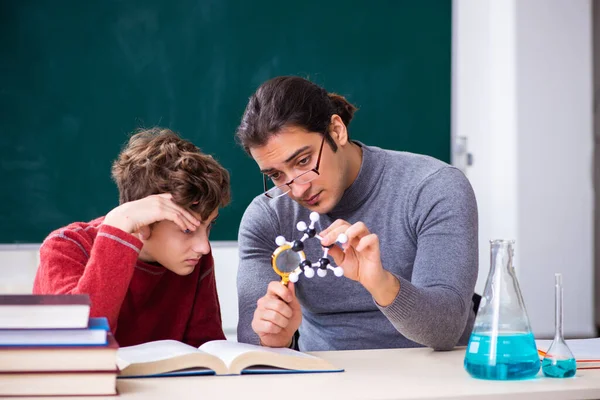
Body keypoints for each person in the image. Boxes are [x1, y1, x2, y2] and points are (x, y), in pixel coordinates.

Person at [235, 76, 478, 351]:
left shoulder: (434, 187)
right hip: (327, 380)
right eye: (276, 175)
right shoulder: (267, 217)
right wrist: (274, 338)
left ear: (336, 130)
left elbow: (445, 331)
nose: (298, 189)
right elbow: (251, 343)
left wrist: (380, 283)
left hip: (438, 379)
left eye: (303, 161)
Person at [33, 128, 231, 347]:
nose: (203, 247)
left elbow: (206, 347)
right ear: (144, 223)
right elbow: (81, 341)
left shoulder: (192, 258)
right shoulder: (64, 247)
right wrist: (118, 226)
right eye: (187, 229)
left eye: (209, 225)